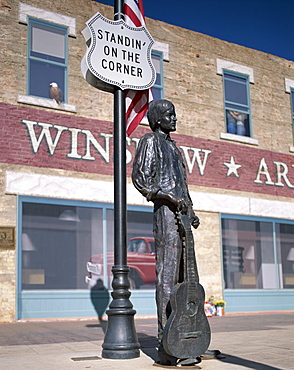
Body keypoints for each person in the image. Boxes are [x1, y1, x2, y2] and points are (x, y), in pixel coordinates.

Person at [132, 99, 200, 365]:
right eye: (170, 114)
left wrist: (190, 210)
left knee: (187, 278)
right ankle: (166, 343)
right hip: (166, 213)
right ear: (158, 117)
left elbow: (182, 184)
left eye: (174, 113)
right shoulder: (150, 142)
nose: (174, 118)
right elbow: (141, 179)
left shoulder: (174, 147)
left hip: (182, 215)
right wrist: (169, 198)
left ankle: (186, 339)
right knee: (168, 276)